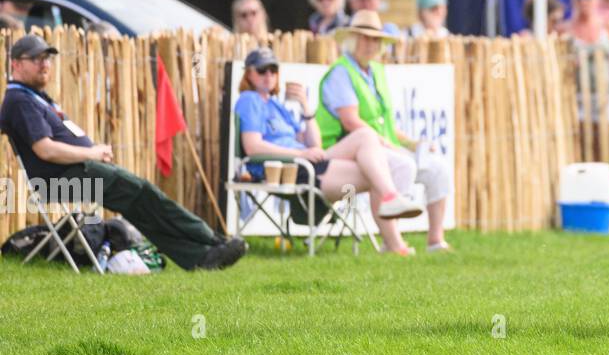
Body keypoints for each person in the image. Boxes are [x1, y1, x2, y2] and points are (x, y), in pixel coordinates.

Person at [1, 34, 246, 270]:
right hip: (59, 182)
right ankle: (209, 245)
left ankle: (205, 250)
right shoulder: (20, 100)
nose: (44, 64)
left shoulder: (34, 97)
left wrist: (95, 152)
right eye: (36, 59)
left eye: (47, 58)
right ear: (16, 64)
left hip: (75, 173)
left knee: (141, 197)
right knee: (142, 193)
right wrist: (92, 154)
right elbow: (46, 150)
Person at [235, 44, 423, 255]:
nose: (268, 75)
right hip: (288, 169)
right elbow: (252, 147)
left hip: (307, 163)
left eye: (273, 70)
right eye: (262, 70)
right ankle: (392, 222)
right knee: (369, 148)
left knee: (372, 161)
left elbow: (313, 144)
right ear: (249, 74)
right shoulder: (249, 100)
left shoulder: (276, 105)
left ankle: (393, 236)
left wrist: (306, 109)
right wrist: (300, 154)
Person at [316, 12, 453, 253]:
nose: (370, 45)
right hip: (347, 149)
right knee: (402, 165)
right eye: (364, 38)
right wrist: (388, 145)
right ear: (351, 40)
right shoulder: (340, 72)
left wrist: (413, 143)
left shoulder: (377, 71)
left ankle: (435, 241)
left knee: (438, 168)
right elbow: (350, 122)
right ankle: (393, 243)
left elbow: (386, 123)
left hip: (380, 144)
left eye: (375, 40)